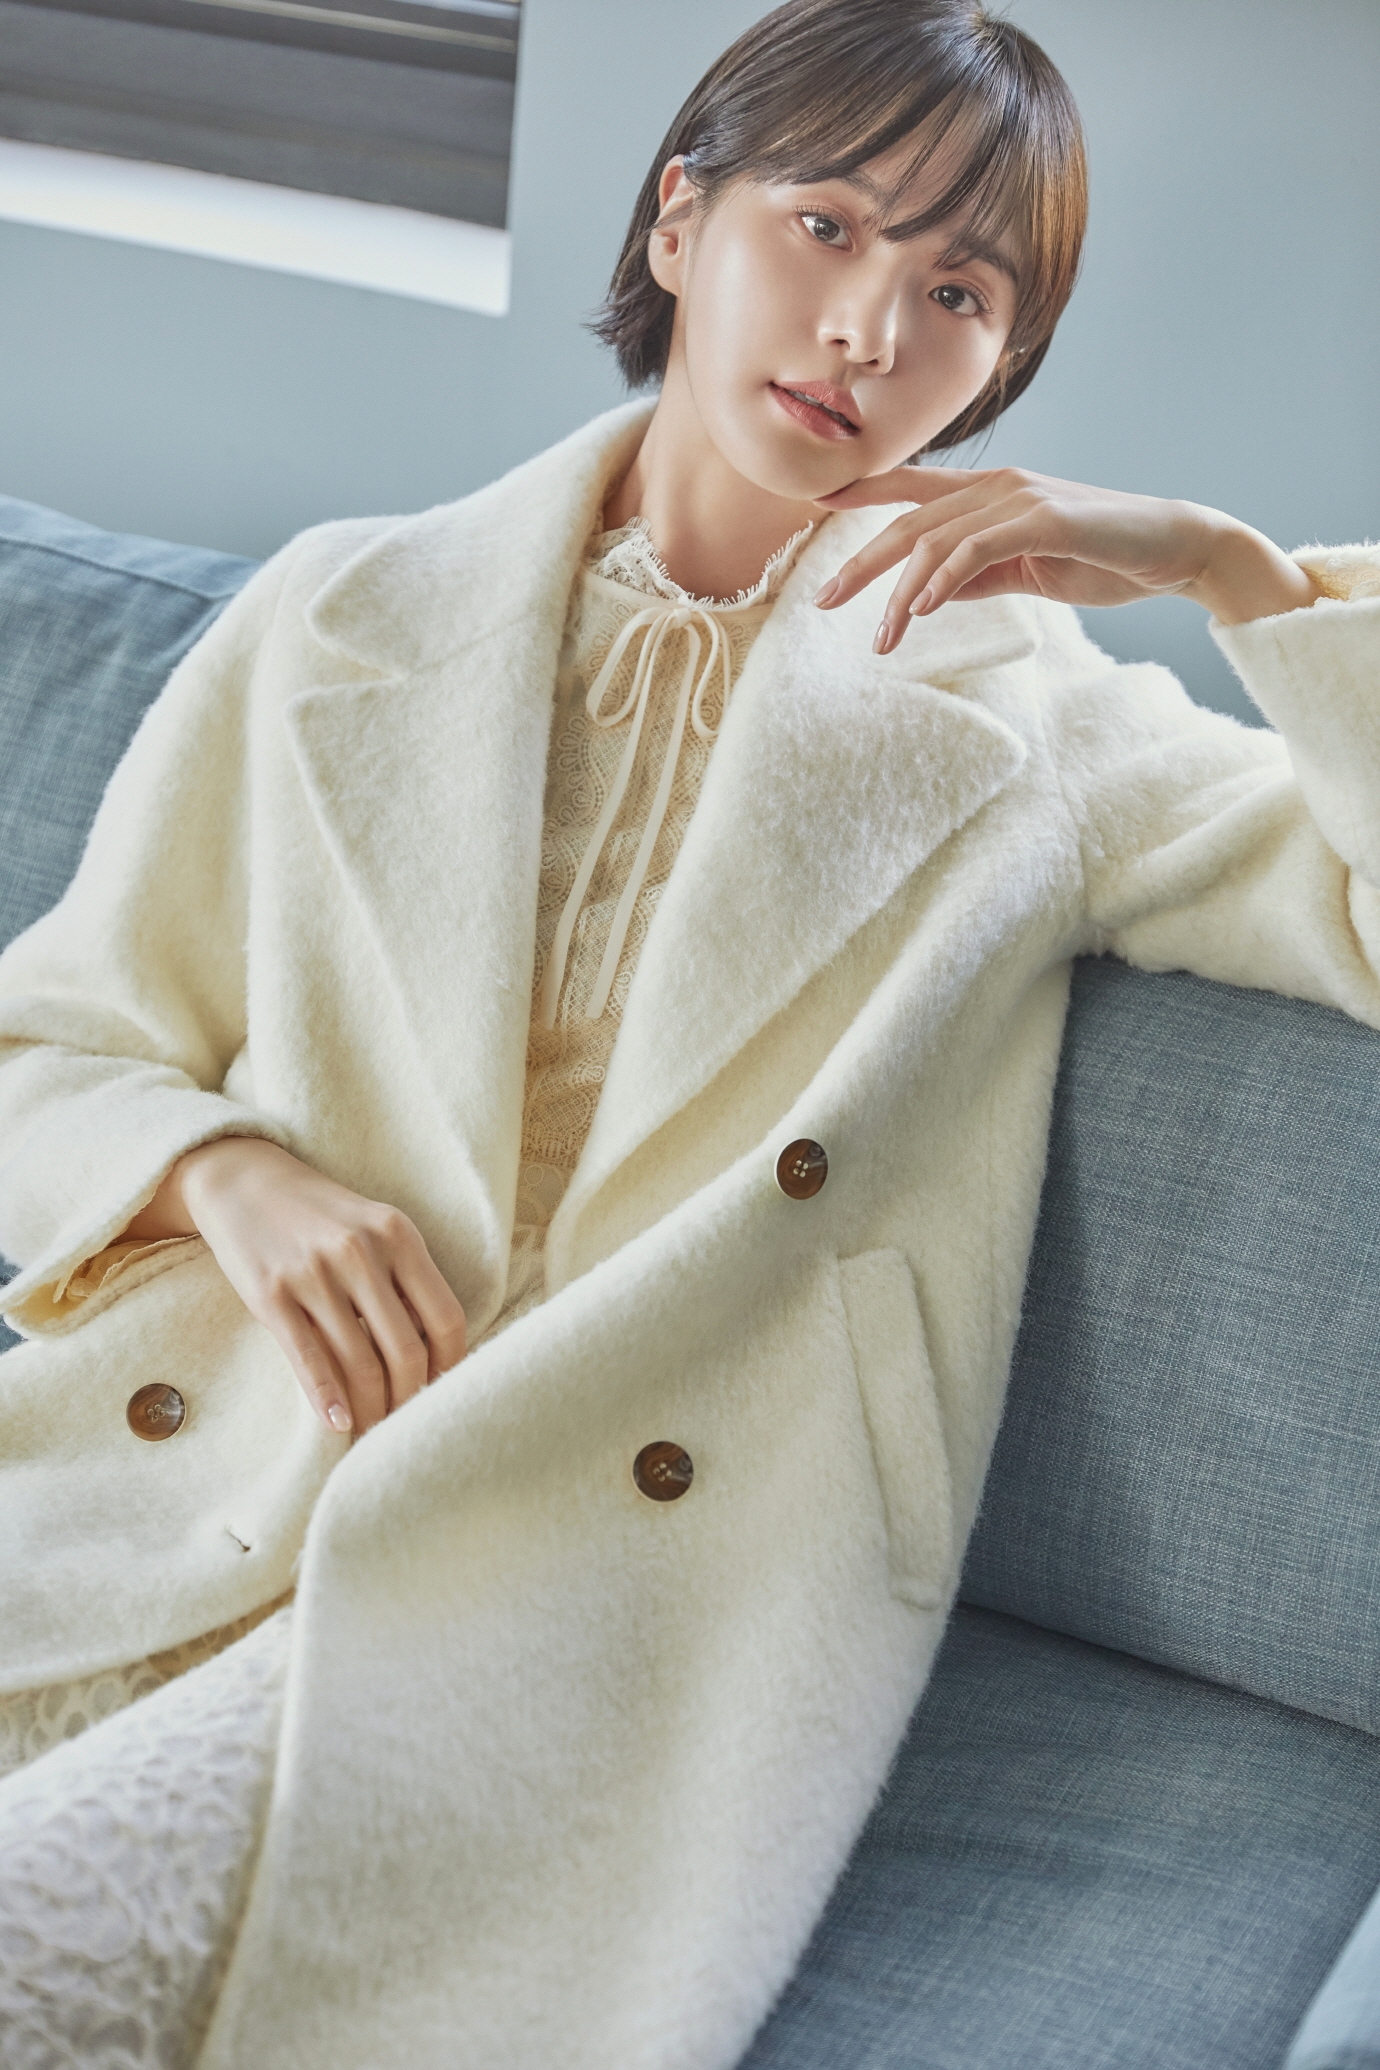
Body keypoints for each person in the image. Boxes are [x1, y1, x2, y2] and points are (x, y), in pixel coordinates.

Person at [0, 0, 1376, 2063]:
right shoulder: (338, 612)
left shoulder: (1038, 732)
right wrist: (230, 1175)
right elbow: (44, 1044)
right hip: (198, 1442)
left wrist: (1238, 578)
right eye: (826, 226)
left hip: (582, 1551)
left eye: (959, 293)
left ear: (1003, 370)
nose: (869, 329)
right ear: (676, 224)